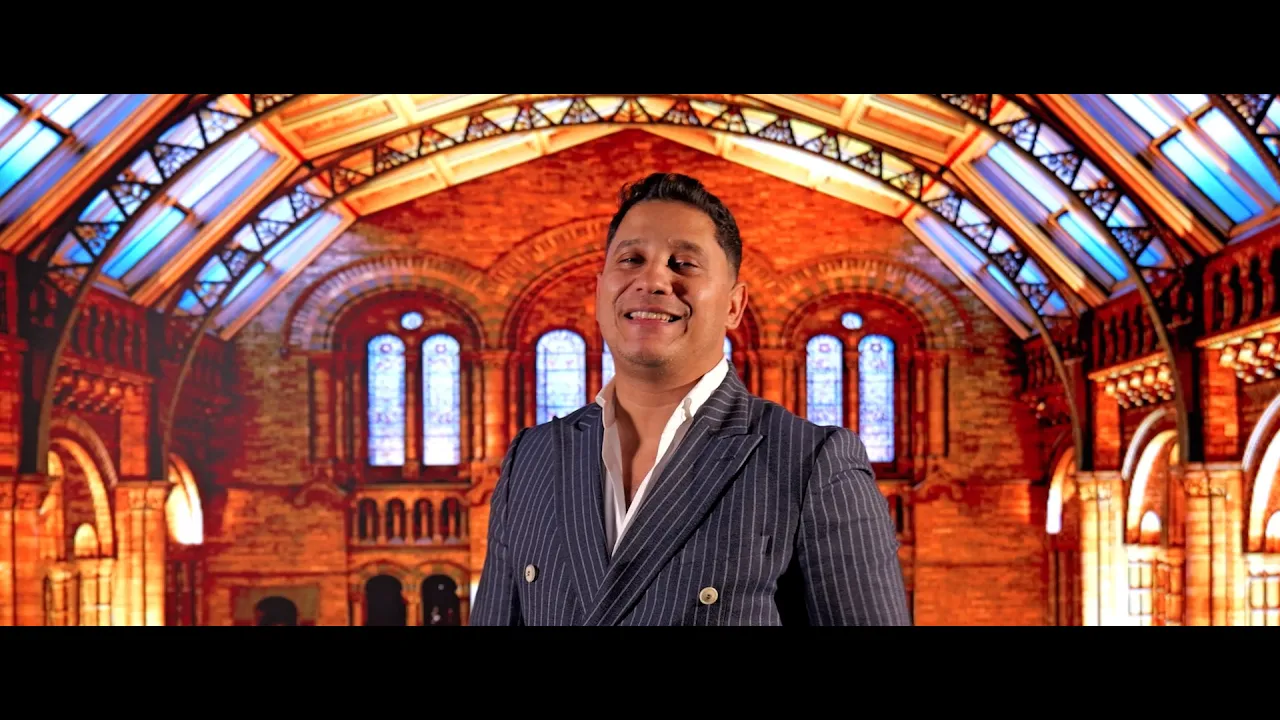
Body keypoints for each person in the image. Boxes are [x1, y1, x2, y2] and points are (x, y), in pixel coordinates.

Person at [471, 172, 910, 625]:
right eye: (632, 259)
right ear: (600, 292)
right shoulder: (532, 458)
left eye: (683, 264)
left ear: (734, 306)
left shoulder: (811, 464)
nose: (653, 280)